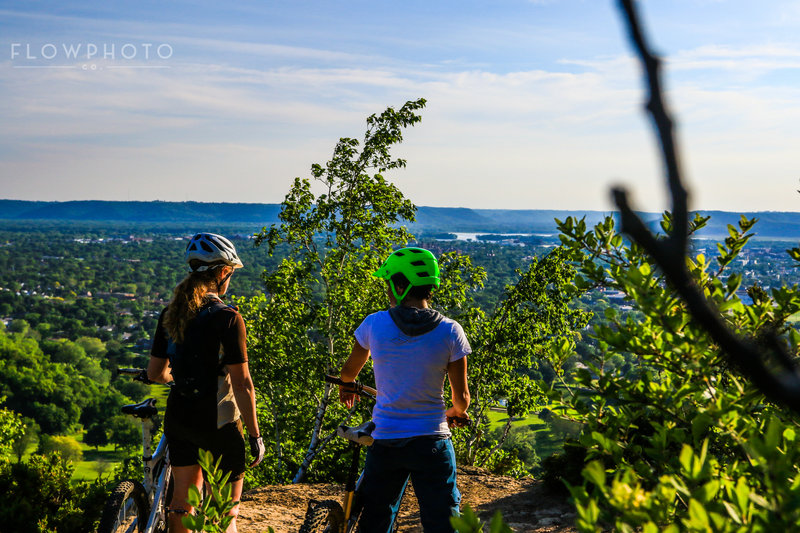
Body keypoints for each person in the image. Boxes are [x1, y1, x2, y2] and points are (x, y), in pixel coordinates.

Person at [338, 246, 471, 533]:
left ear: (400, 285)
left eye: (389, 283)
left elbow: (348, 372)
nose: (387, 290)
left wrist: (347, 386)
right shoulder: (451, 331)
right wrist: (453, 413)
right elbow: (461, 400)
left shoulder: (374, 324)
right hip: (432, 442)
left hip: (387, 441)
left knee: (375, 521)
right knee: (443, 523)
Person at [147, 232, 265, 533]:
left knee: (181, 503)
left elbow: (155, 374)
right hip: (218, 425)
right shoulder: (228, 318)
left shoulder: (171, 313)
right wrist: (255, 436)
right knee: (222, 513)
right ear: (223, 272)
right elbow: (243, 384)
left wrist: (179, 377)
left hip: (179, 417)